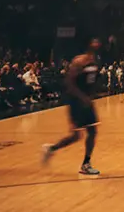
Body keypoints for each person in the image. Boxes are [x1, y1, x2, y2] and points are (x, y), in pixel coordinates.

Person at [41, 38, 102, 175]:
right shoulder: (78, 61)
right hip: (76, 101)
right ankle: (51, 149)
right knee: (76, 136)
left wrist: (91, 96)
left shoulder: (95, 60)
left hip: (87, 101)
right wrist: (82, 97)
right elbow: (69, 83)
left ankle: (86, 164)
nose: (97, 43)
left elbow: (92, 81)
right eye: (94, 41)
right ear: (88, 44)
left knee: (93, 132)